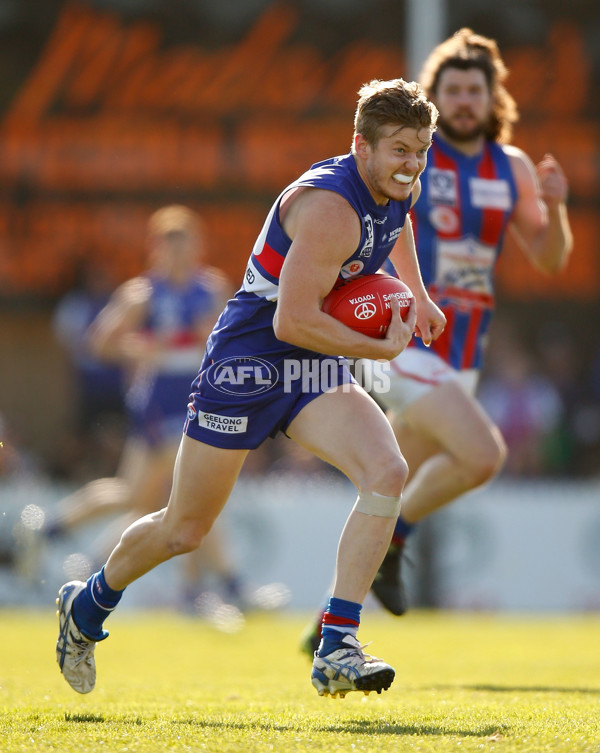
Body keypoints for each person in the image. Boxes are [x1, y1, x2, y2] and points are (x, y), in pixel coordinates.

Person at [55, 78, 444, 698]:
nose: (412, 164)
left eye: (421, 149)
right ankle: (87, 606)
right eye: (400, 149)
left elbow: (398, 226)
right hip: (252, 360)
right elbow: (290, 320)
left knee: (386, 472)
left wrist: (417, 295)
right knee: (184, 530)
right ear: (360, 146)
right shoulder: (327, 209)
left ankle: (336, 644)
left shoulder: (398, 183)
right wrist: (377, 349)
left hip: (313, 360)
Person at [300, 28, 573, 647]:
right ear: (436, 96)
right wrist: (411, 294)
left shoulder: (514, 167)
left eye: (475, 89)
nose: (464, 100)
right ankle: (395, 546)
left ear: (492, 95)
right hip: (401, 337)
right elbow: (376, 220)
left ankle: (329, 617)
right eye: (452, 89)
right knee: (483, 455)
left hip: (464, 348)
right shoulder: (412, 155)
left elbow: (552, 259)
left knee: (387, 484)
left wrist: (554, 209)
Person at [46, 205, 258, 615]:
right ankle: (227, 587)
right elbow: (98, 342)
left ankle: (66, 542)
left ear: (198, 247)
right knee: (187, 493)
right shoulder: (143, 292)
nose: (179, 254)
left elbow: (231, 342)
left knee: (143, 498)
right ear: (157, 248)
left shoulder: (211, 288)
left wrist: (209, 338)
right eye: (170, 245)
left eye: (186, 244)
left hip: (198, 395)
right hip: (159, 402)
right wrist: (142, 348)